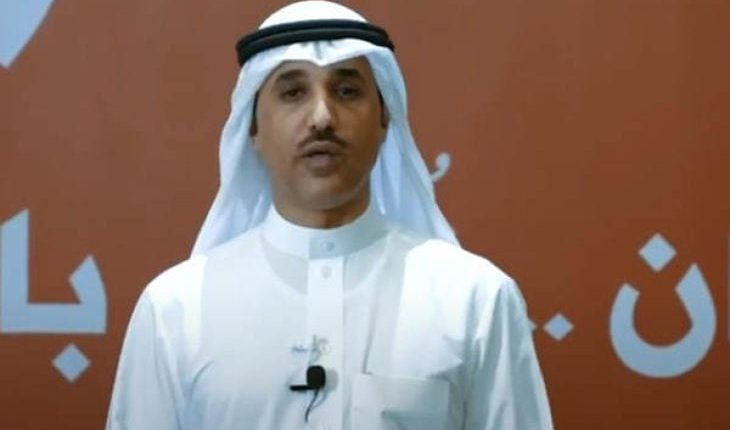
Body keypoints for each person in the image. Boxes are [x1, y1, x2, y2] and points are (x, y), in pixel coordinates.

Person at [105, 1, 554, 429]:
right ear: (253, 127)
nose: (322, 117)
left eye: (347, 91)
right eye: (293, 92)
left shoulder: (474, 301)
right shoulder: (175, 310)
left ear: (384, 120)